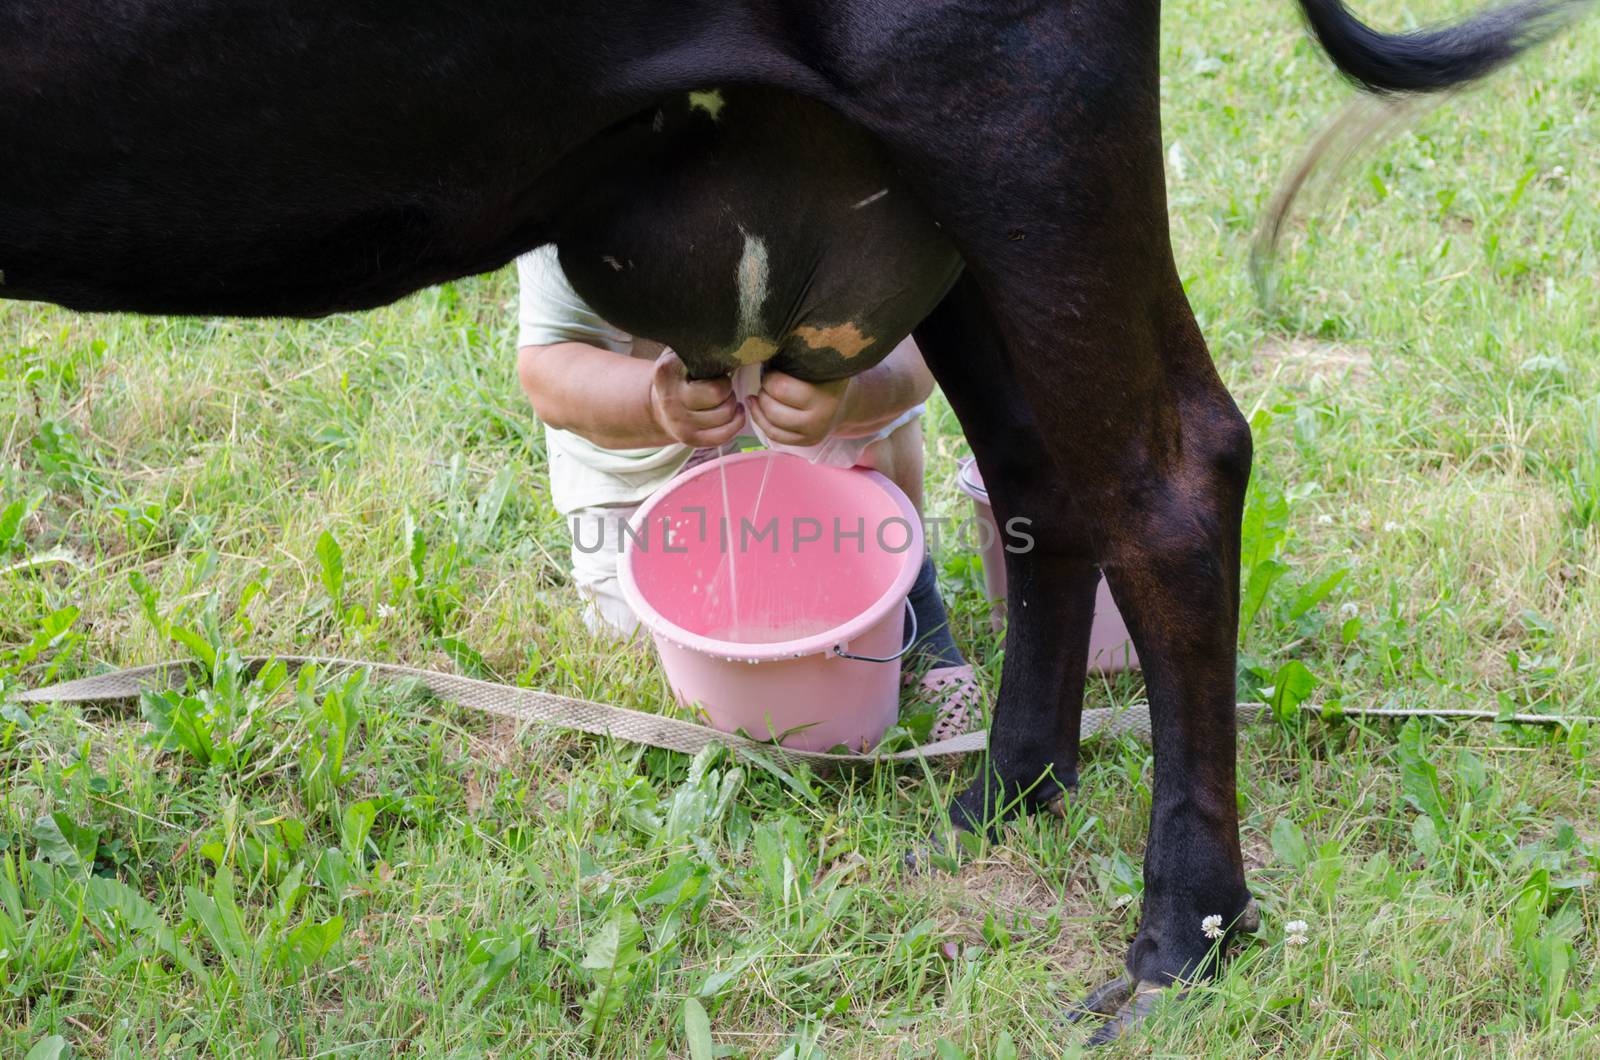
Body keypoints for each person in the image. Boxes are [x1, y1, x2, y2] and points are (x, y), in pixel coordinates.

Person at [513, 244, 980, 738]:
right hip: (633, 406)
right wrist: (651, 405)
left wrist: (853, 399)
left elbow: (915, 352)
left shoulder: (837, 181)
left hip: (798, 365)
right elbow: (548, 368)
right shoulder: (574, 197)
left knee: (861, 366)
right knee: (632, 639)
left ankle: (911, 598)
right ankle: (677, 478)